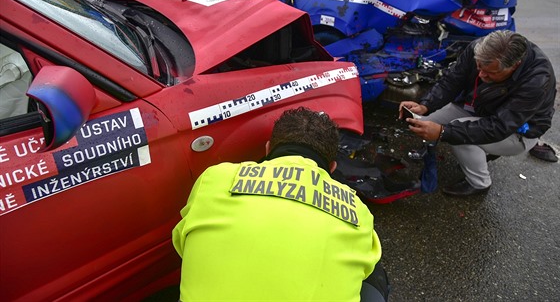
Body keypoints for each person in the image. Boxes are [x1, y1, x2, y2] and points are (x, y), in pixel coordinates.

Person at [172, 107, 389, 301]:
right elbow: (365, 265)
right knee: (374, 272)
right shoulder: (356, 209)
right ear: (331, 168)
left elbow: (183, 246)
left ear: (268, 149)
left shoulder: (215, 178)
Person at [399, 30, 556, 197]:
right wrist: (425, 105)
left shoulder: (537, 80)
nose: (481, 74)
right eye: (479, 66)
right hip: (482, 106)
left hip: (518, 130)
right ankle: (484, 152)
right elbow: (452, 80)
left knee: (457, 133)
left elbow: (499, 127)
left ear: (514, 65)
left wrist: (444, 132)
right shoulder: (479, 47)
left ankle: (479, 183)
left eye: (490, 72)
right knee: (422, 121)